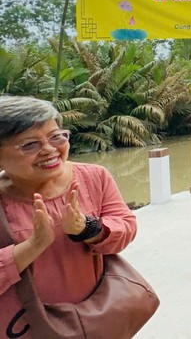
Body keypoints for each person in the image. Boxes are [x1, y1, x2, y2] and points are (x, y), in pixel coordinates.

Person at [0, 96, 138, 336]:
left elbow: (125, 227)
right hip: (24, 327)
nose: (50, 150)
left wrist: (88, 228)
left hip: (95, 318)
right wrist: (33, 246)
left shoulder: (94, 177)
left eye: (56, 136)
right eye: (30, 145)